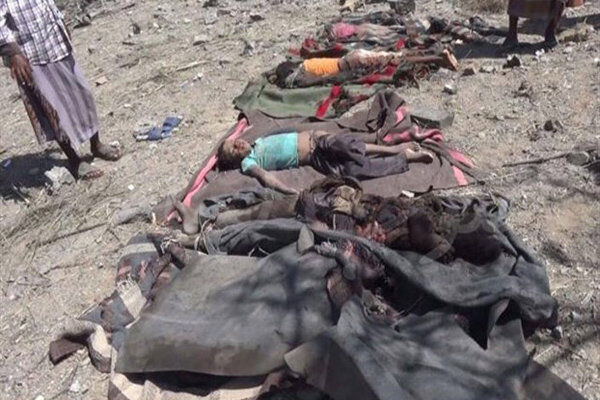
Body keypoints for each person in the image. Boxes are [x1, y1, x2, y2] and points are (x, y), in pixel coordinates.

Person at [0, 0, 121, 180]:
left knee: (82, 94)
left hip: (55, 43)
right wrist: (13, 53)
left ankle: (96, 145)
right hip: (29, 58)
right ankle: (75, 161)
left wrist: (61, 23)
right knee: (52, 110)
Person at [218, 131, 434, 195]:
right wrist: (288, 190)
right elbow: (266, 178)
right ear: (235, 160)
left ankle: (394, 149)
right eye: (233, 149)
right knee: (352, 171)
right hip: (315, 158)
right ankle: (405, 157)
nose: (238, 143)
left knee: (348, 147)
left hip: (317, 138)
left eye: (234, 141)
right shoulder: (249, 163)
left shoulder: (258, 140)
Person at [272, 48, 458, 88]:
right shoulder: (307, 64)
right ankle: (436, 56)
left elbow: (323, 79)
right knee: (396, 56)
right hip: (352, 58)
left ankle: (438, 57)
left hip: (354, 62)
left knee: (398, 59)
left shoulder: (304, 74)